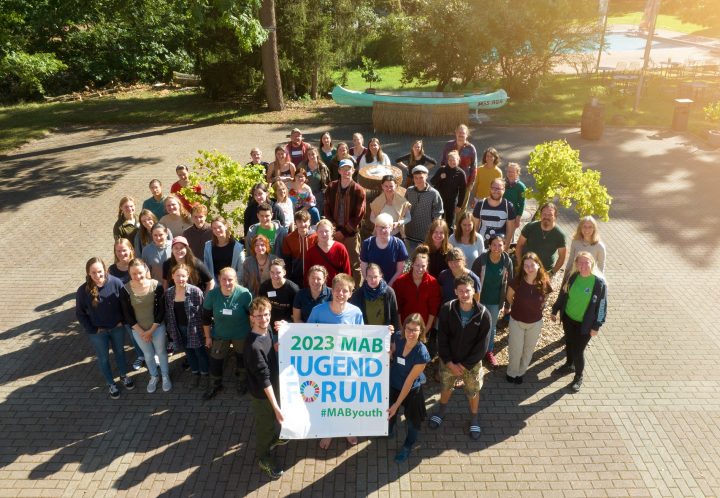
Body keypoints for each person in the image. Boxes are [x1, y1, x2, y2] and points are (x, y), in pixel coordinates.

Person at [430, 275, 491, 440]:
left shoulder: (484, 314)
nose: (465, 294)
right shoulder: (447, 309)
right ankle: (441, 411)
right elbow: (441, 338)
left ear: (474, 291)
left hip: (471, 365)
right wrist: (449, 362)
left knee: (473, 391)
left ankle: (474, 418)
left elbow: (482, 346)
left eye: (468, 291)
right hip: (449, 361)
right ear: (455, 291)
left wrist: (463, 366)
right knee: (445, 386)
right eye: (461, 291)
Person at [307, 273, 364, 449]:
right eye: (337, 290)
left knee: (347, 399)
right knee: (327, 400)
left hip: (347, 367)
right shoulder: (318, 311)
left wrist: (385, 336)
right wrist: (284, 331)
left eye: (344, 291)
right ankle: (328, 430)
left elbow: (364, 340)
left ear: (350, 293)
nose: (340, 293)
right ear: (332, 290)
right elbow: (304, 336)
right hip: (323, 367)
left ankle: (347, 428)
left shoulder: (356, 313)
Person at [75, 257, 134, 399]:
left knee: (120, 352)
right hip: (98, 332)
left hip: (117, 328)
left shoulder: (115, 282)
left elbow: (125, 304)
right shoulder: (83, 291)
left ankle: (124, 376)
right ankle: (111, 383)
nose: (97, 275)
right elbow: (80, 314)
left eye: (100, 272)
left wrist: (123, 321)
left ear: (105, 270)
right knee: (103, 358)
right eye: (93, 273)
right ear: (88, 273)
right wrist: (93, 329)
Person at [551, 252, 607, 392]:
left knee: (578, 350)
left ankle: (578, 376)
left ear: (592, 263)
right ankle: (569, 365)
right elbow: (563, 294)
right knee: (569, 343)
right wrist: (556, 309)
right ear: (576, 264)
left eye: (586, 262)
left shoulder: (599, 283)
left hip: (585, 324)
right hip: (569, 318)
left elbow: (602, 307)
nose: (582, 266)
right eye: (579, 263)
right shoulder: (573, 277)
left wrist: (596, 326)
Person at [244, 297, 286, 479]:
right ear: (252, 317)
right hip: (262, 395)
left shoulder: (266, 329)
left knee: (272, 422)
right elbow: (264, 380)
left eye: (267, 314)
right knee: (265, 426)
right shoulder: (253, 347)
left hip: (273, 387)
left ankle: (273, 440)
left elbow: (271, 348)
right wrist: (276, 407)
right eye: (259, 316)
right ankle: (264, 457)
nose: (264, 319)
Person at [120, 258, 171, 393]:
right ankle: (154, 376)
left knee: (161, 352)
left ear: (146, 270)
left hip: (157, 328)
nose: (138, 276)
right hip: (138, 330)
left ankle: (165, 375)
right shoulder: (125, 290)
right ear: (129, 274)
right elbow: (127, 315)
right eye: (134, 274)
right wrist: (142, 332)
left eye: (140, 273)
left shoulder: (156, 285)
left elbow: (161, 310)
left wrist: (150, 331)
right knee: (148, 355)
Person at [202, 267, 253, 399]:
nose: (227, 282)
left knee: (242, 358)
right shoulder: (212, 295)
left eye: (230, 279)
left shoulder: (244, 294)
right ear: (219, 279)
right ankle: (215, 384)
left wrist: (253, 334)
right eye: (223, 279)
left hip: (241, 334)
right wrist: (208, 337)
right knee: (216, 360)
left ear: (235, 280)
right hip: (220, 334)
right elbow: (206, 318)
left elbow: (252, 315)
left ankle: (242, 381)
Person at [388, 313, 431, 463]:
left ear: (421, 332)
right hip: (393, 384)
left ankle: (408, 446)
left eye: (415, 330)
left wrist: (396, 404)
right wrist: (389, 353)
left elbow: (409, 382)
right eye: (408, 329)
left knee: (413, 422)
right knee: (390, 414)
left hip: (411, 391)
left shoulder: (421, 353)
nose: (410, 333)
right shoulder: (399, 337)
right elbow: (392, 352)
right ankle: (389, 431)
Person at [505, 252, 552, 384]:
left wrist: (540, 306)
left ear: (538, 265)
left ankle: (521, 372)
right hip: (517, 321)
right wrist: (517, 306)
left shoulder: (544, 282)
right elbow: (509, 297)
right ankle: (512, 372)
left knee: (528, 349)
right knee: (516, 349)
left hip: (535, 323)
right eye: (526, 265)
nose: (529, 268)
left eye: (532, 265)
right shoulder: (517, 281)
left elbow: (546, 297)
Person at [471, 234, 514, 369]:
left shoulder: (507, 262)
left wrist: (508, 305)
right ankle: (476, 352)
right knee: (477, 325)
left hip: (496, 301)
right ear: (489, 246)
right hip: (480, 300)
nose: (496, 248)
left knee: (492, 327)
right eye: (494, 245)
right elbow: (471, 279)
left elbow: (510, 284)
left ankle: (488, 351)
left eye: (500, 245)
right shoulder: (481, 260)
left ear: (504, 246)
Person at [164, 263, 209, 389]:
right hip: (178, 329)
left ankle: (205, 375)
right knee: (188, 353)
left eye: (183, 276)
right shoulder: (169, 293)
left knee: (200, 353)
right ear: (172, 276)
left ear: (188, 276)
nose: (180, 279)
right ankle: (195, 374)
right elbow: (169, 313)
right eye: (177, 275)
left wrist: (206, 333)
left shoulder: (195, 292)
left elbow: (203, 313)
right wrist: (171, 332)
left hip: (195, 329)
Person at [323, 159, 366, 286]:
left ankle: (356, 289)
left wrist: (344, 231)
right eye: (344, 169)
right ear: (339, 171)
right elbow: (326, 209)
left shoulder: (359, 190)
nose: (346, 172)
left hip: (350, 234)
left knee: (354, 263)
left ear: (353, 171)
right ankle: (335, 287)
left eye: (349, 169)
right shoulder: (331, 187)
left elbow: (359, 214)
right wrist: (334, 230)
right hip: (335, 233)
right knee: (334, 261)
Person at [108, 238, 145, 370]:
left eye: (124, 250)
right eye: (118, 251)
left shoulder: (138, 264)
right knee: (133, 335)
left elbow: (148, 282)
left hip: (142, 306)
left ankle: (153, 355)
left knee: (147, 331)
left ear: (131, 250)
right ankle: (141, 356)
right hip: (125, 310)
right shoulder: (111, 270)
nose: (121, 253)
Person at [392, 245, 442, 333]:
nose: (420, 269)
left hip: (423, 329)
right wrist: (401, 328)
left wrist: (426, 329)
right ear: (412, 264)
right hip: (404, 328)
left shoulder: (433, 283)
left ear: (427, 265)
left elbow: (433, 309)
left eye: (423, 266)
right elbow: (397, 308)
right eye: (417, 265)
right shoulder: (400, 282)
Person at [515, 202, 567, 278]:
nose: (546, 217)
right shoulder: (530, 227)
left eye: (550, 215)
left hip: (544, 271)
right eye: (544, 214)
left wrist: (552, 273)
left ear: (555, 217)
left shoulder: (560, 235)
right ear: (540, 215)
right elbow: (519, 246)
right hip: (526, 268)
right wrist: (520, 265)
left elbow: (562, 257)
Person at [360, 213, 408, 286]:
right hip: (370, 285)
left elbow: (399, 271)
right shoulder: (367, 244)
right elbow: (363, 266)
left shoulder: (398, 244)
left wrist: (388, 287)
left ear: (391, 228)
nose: (382, 231)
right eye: (379, 227)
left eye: (385, 227)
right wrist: (370, 283)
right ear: (375, 227)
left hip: (391, 286)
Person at [404, 165, 444, 254]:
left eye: (421, 177)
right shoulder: (409, 191)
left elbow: (438, 214)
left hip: (425, 235)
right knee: (410, 257)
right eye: (415, 178)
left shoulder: (433, 193)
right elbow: (404, 208)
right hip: (409, 232)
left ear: (426, 176)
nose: (418, 180)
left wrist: (435, 231)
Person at [350, 263, 401, 331]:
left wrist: (394, 337)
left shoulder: (389, 292)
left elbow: (394, 316)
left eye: (375, 277)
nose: (373, 280)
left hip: (384, 335)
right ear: (366, 277)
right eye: (370, 276)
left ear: (381, 276)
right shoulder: (358, 294)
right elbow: (353, 317)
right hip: (364, 335)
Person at [303, 219, 351, 287]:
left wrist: (346, 286)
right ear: (316, 232)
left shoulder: (340, 248)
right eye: (321, 231)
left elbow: (347, 271)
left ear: (332, 231)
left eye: (326, 231)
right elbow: (307, 275)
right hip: (317, 289)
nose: (324, 234)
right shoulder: (311, 252)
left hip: (336, 289)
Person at [472, 178, 517, 247]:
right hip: (482, 245)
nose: (496, 191)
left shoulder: (508, 207)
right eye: (493, 188)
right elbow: (474, 228)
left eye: (499, 189)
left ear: (504, 190)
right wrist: (475, 246)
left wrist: (505, 249)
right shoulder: (480, 204)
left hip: (499, 248)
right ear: (490, 189)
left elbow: (510, 231)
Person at [430, 150, 466, 232]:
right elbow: (432, 181)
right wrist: (440, 177)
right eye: (450, 160)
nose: (452, 162)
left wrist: (459, 205)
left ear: (458, 160)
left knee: (450, 222)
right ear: (447, 160)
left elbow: (462, 190)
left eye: (454, 160)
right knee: (439, 221)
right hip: (440, 200)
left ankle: (449, 239)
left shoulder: (461, 173)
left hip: (452, 201)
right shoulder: (442, 170)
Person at [563, 216, 606, 284]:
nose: (587, 230)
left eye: (590, 227)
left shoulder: (599, 246)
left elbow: (601, 267)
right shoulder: (575, 242)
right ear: (580, 228)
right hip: (575, 277)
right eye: (584, 226)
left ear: (594, 229)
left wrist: (600, 283)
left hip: (590, 279)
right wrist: (565, 277)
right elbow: (571, 260)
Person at [281, 210, 318, 287]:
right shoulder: (289, 238)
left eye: (305, 221)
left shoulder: (316, 237)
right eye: (299, 222)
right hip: (296, 277)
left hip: (314, 275)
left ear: (309, 222)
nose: (302, 224)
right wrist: (288, 276)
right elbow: (286, 260)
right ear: (295, 223)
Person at [203, 216, 244, 284]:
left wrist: (232, 284)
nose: (217, 230)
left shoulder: (237, 247)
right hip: (214, 285)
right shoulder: (208, 246)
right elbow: (206, 267)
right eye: (214, 228)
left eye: (219, 227)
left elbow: (241, 269)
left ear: (225, 226)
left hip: (232, 284)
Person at [259, 258, 299, 325]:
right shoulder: (264, 286)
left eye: (278, 273)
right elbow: (261, 307)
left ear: (284, 272)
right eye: (272, 272)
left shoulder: (293, 289)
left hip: (287, 326)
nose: (275, 276)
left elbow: (297, 313)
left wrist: (287, 323)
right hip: (269, 325)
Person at [440, 124, 477, 192]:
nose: (461, 135)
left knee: (462, 202)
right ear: (456, 133)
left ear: (467, 135)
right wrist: (442, 174)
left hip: (464, 182)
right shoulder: (448, 145)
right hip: (448, 181)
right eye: (459, 132)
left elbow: (473, 168)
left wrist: (471, 183)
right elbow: (443, 162)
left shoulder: (471, 149)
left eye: (463, 133)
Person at [298, 146, 330, 215]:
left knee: (317, 214)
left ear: (317, 154)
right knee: (305, 215)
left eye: (313, 154)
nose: (311, 156)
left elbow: (328, 182)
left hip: (319, 196)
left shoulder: (322, 167)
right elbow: (296, 178)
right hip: (304, 195)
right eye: (309, 154)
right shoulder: (302, 166)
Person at [503, 162, 526, 240]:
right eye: (509, 171)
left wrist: (518, 218)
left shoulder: (521, 187)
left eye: (512, 172)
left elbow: (522, 203)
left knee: (509, 237)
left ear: (517, 173)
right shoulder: (502, 183)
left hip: (513, 215)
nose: (510, 173)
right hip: (501, 213)